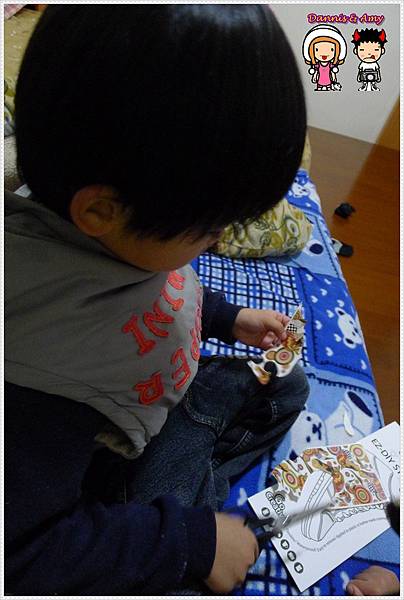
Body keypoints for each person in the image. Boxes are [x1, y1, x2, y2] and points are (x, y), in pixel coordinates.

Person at [5, 4, 308, 595]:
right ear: (101, 211)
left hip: (144, 393)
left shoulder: (105, 230)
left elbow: (155, 288)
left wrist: (227, 318)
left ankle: (196, 486)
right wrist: (187, 541)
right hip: (98, 472)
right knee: (183, 560)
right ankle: (195, 511)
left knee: (285, 385)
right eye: (210, 229)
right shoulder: (40, 376)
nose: (218, 241)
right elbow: (22, 551)